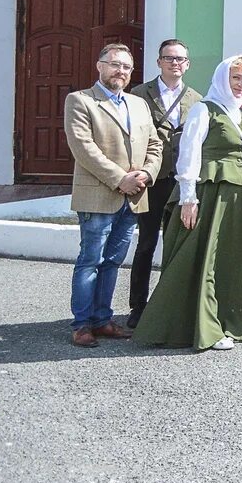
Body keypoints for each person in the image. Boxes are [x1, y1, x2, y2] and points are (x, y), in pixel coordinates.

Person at [134, 56, 242, 350]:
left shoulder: (240, 113)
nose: (241, 85)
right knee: (205, 259)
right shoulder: (204, 108)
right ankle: (204, 327)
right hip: (210, 191)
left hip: (236, 194)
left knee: (228, 260)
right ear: (223, 78)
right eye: (236, 78)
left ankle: (228, 321)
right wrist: (188, 198)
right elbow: (190, 152)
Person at [64, 43, 163, 348]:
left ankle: (103, 320)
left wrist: (147, 173)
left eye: (126, 67)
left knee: (113, 261)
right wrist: (120, 179)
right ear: (99, 66)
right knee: (90, 260)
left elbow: (155, 145)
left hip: (133, 197)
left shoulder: (138, 104)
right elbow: (84, 148)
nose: (120, 71)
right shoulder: (80, 101)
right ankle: (82, 325)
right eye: (114, 64)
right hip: (100, 195)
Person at [126, 38, 203, 329]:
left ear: (187, 64)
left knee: (176, 243)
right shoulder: (139, 93)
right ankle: (138, 305)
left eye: (180, 59)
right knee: (146, 243)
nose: (175, 63)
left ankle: (168, 304)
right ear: (159, 62)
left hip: (179, 179)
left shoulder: (195, 98)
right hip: (151, 178)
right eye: (169, 58)